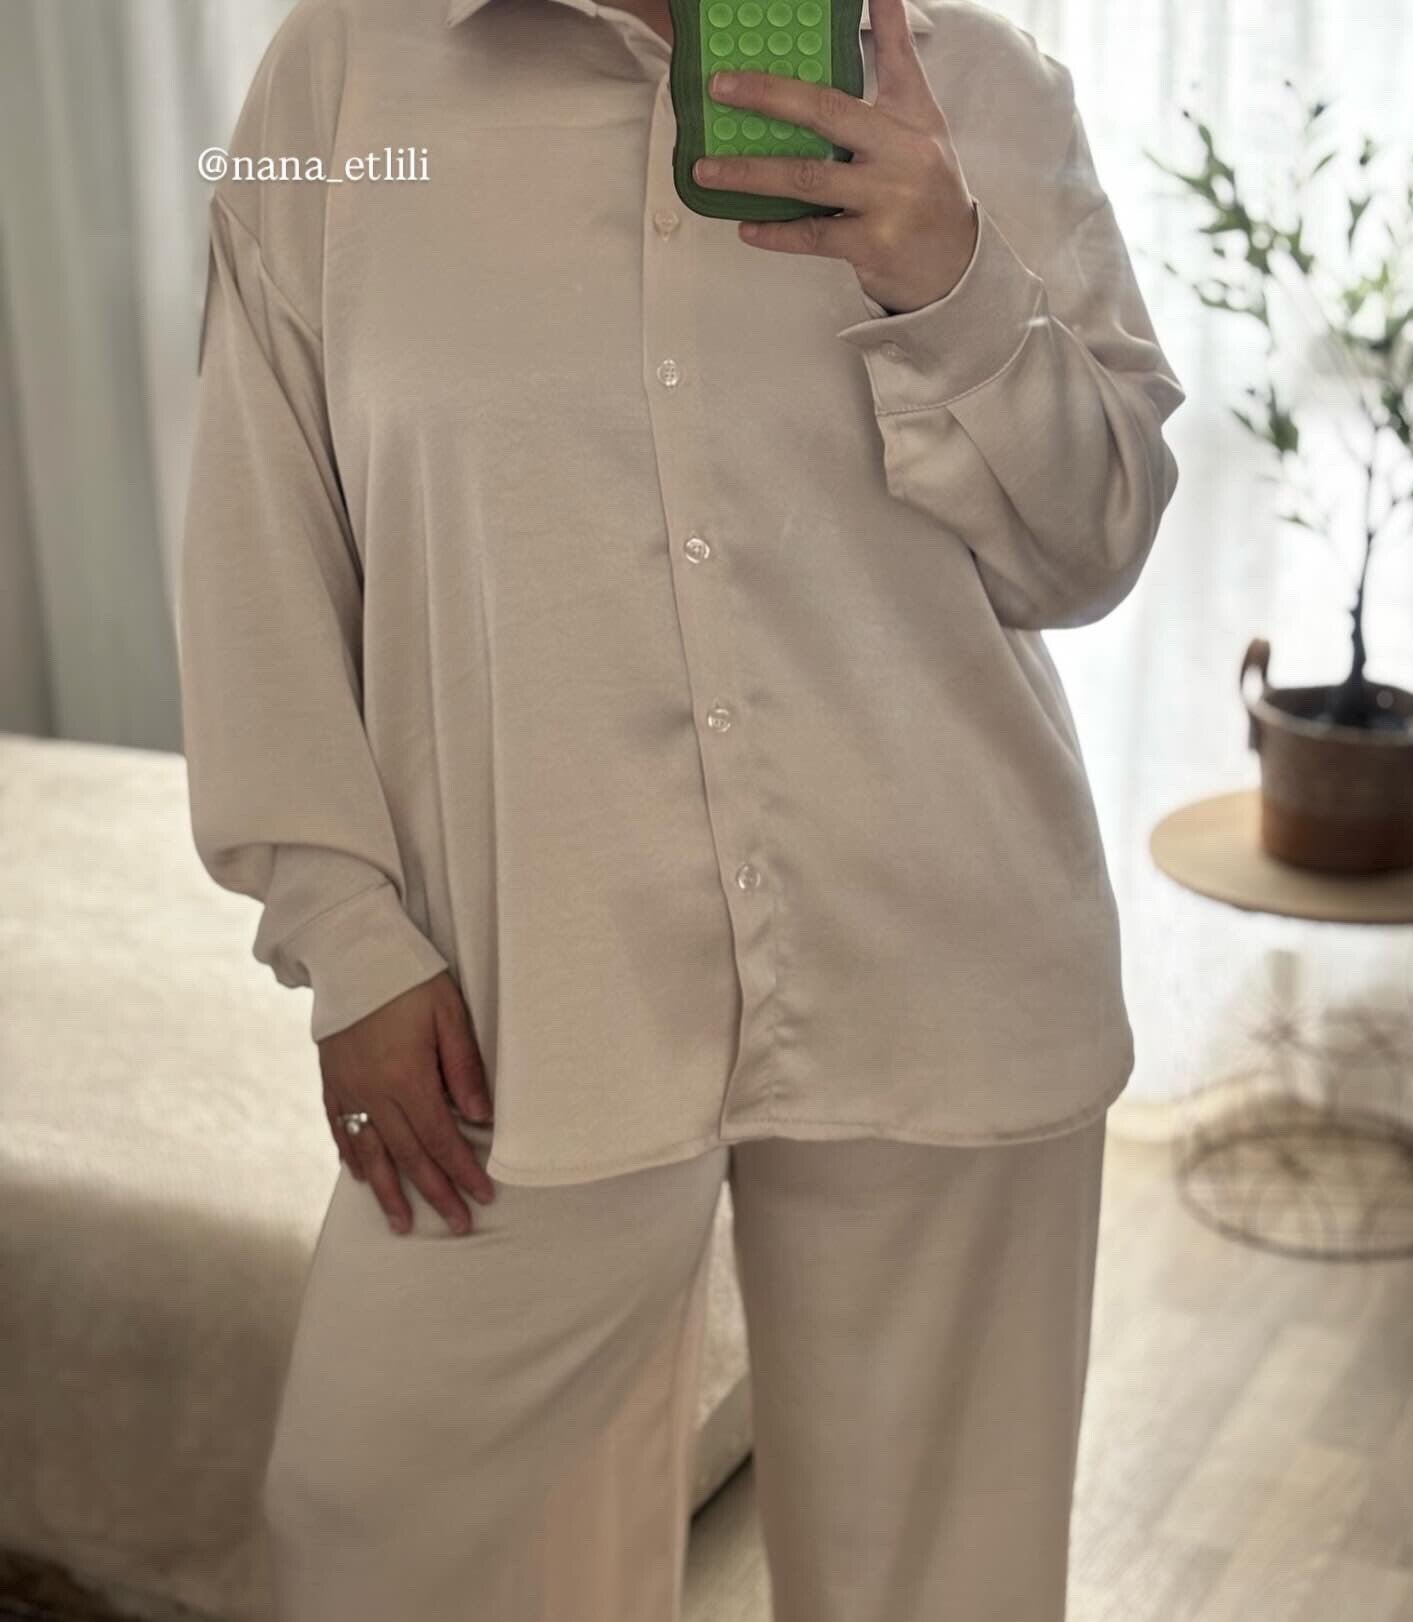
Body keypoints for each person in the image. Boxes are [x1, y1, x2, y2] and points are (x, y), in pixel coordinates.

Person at [177, 0, 1185, 1614]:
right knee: (368, 1529)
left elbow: (1098, 542)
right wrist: (342, 932)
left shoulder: (984, 89)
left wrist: (953, 278)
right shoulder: (340, 81)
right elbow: (258, 531)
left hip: (947, 967)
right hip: (518, 995)